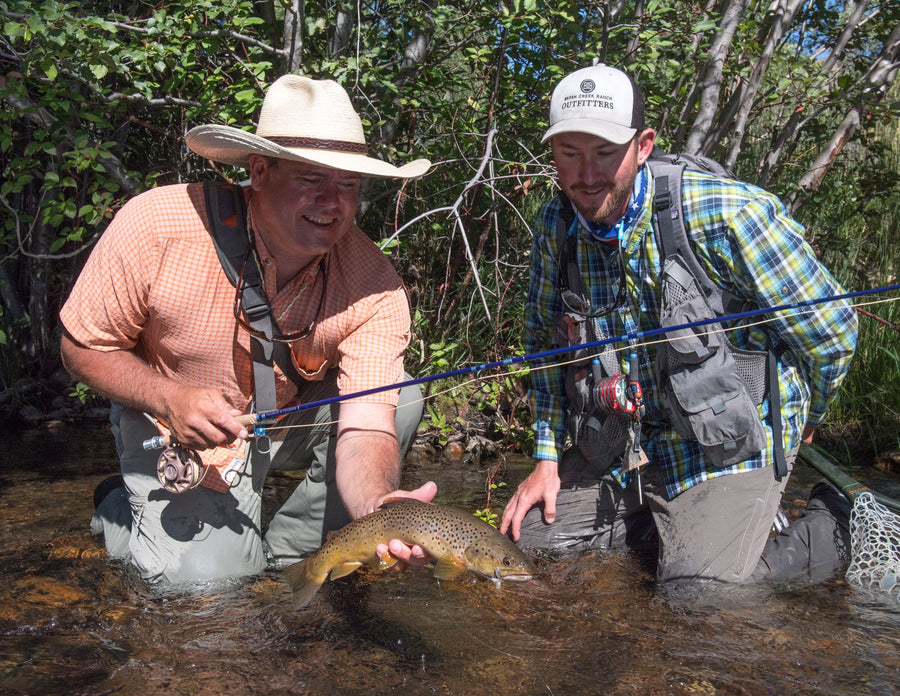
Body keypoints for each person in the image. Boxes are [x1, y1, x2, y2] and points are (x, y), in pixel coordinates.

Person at [61, 75, 435, 585]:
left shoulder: (375, 285)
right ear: (259, 170)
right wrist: (168, 397)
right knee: (202, 586)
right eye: (311, 179)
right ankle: (121, 513)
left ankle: (287, 562)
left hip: (277, 421)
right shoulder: (159, 224)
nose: (332, 202)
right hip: (171, 425)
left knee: (403, 398)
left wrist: (378, 505)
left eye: (347, 184)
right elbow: (81, 347)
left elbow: (365, 427)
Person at [500, 64, 859, 584]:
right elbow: (542, 349)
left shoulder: (726, 213)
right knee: (525, 547)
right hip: (630, 443)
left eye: (604, 152)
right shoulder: (555, 229)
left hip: (730, 439)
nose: (586, 174)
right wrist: (547, 458)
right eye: (569, 153)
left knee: (699, 596)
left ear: (642, 146)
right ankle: (675, 533)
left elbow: (834, 329)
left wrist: (806, 422)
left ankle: (831, 525)